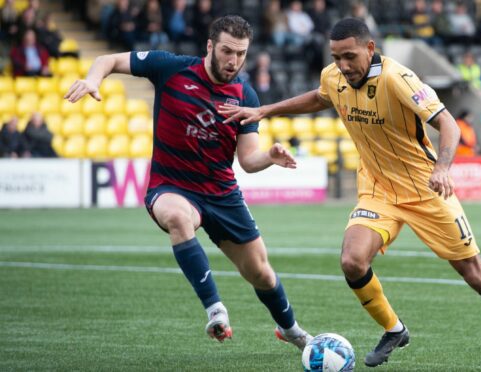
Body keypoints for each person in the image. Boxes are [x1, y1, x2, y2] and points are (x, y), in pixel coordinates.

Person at [220, 18, 481, 371]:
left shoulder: (398, 79)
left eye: (350, 56)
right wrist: (266, 110)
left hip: (424, 188)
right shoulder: (334, 76)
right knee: (352, 261)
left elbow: (447, 123)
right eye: (336, 57)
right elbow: (321, 97)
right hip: (377, 188)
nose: (343, 65)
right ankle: (394, 329)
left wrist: (443, 167)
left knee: (475, 273)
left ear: (370, 49)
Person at [63, 15, 312, 350]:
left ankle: (291, 330)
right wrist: (94, 80)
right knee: (179, 218)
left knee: (262, 273)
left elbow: (248, 161)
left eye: (241, 53)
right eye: (227, 51)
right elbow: (108, 59)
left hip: (222, 194)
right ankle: (216, 310)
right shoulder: (171, 68)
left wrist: (270, 156)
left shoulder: (246, 95)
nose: (233, 60)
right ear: (210, 46)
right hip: (171, 186)